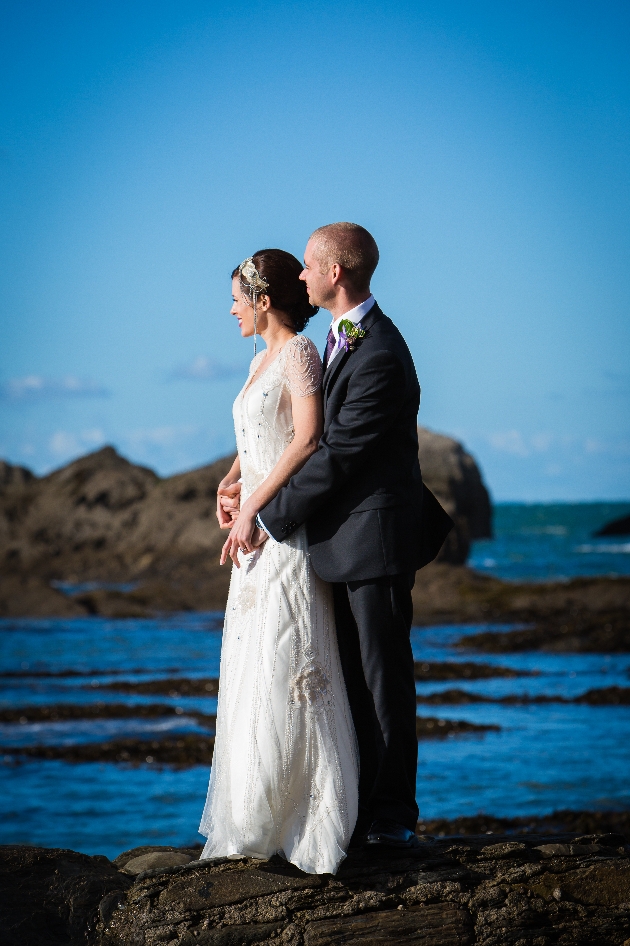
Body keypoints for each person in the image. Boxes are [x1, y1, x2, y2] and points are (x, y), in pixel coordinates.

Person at [251, 223, 452, 851]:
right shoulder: (343, 340)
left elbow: (339, 453)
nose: (302, 278)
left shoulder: (382, 352)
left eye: (310, 267)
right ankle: (358, 811)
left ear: (335, 272)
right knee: (352, 683)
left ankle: (392, 817)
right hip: (341, 542)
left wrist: (270, 516)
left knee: (382, 680)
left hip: (376, 544)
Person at [198, 249, 359, 875]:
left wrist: (254, 510)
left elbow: (307, 438)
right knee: (251, 665)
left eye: (239, 296)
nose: (232, 308)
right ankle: (253, 813)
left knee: (288, 663)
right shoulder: (256, 359)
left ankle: (306, 820)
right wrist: (229, 480)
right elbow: (255, 434)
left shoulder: (299, 352)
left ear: (264, 299)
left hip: (281, 536)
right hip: (253, 528)